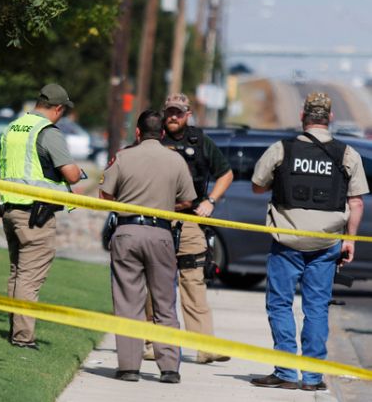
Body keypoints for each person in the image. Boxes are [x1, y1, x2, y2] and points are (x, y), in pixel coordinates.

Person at [250, 92, 367, 391]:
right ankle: (312, 378)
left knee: (280, 304)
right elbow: (356, 203)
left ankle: (286, 372)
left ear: (303, 115)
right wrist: (349, 241)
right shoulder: (347, 154)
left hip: (286, 242)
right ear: (329, 117)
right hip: (326, 244)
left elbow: (257, 186)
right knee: (316, 308)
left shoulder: (282, 149)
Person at [100, 110, 196, 383]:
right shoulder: (176, 160)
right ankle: (169, 368)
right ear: (163, 133)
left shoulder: (124, 156)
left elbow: (104, 194)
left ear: (138, 133)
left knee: (128, 302)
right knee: (165, 302)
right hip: (161, 233)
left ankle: (129, 367)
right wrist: (166, 204)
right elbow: (188, 201)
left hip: (127, 231)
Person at [144, 93, 233, 364]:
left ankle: (204, 346)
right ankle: (152, 343)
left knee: (193, 282)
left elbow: (226, 174)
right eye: (170, 112)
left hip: (190, 219)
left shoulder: (200, 141)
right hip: (157, 218)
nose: (173, 117)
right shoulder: (152, 139)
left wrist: (211, 201)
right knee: (155, 283)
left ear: (188, 114)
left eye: (179, 113)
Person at [0, 83, 81, 350]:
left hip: (10, 208)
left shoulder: (13, 127)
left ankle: (14, 329)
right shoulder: (48, 132)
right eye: (63, 112)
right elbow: (70, 174)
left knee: (17, 273)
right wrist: (79, 172)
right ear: (58, 108)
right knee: (30, 278)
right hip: (36, 214)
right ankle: (23, 337)